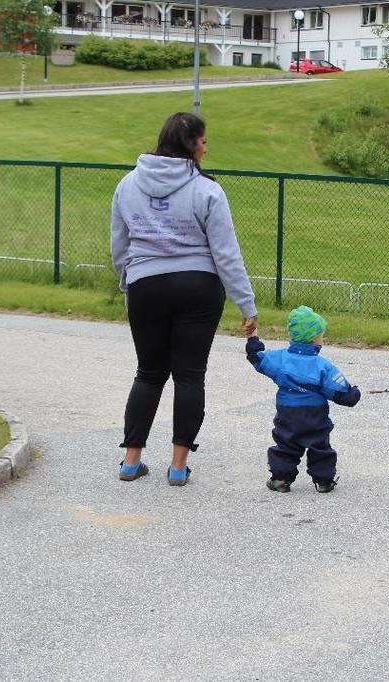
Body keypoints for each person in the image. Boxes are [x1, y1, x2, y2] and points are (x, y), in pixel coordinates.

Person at [111, 112, 257, 486]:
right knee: (189, 376)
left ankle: (131, 461)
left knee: (149, 372)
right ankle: (178, 467)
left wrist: (129, 284)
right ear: (190, 143)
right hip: (198, 287)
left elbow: (119, 245)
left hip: (146, 286)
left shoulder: (127, 185)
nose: (206, 148)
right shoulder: (207, 190)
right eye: (204, 141)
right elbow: (226, 253)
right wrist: (246, 305)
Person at [245, 305, 361, 493]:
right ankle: (324, 481)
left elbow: (257, 358)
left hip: (287, 412)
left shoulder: (279, 359)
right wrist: (352, 392)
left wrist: (252, 337)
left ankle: (281, 478)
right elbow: (340, 392)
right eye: (321, 335)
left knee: (285, 444)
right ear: (315, 339)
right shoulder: (321, 366)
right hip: (314, 415)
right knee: (320, 445)